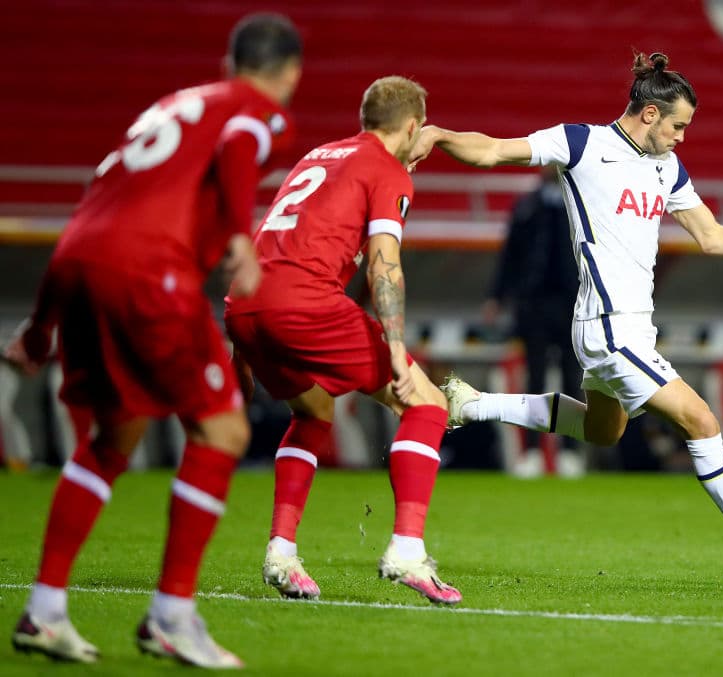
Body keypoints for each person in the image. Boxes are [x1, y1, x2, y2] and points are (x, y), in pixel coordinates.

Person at [411, 51, 723, 583]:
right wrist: (441, 135)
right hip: (606, 324)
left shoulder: (667, 167)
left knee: (601, 430)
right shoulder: (582, 144)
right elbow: (496, 150)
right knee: (702, 421)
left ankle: (473, 404)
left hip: (634, 325)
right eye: (678, 125)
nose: (683, 137)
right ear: (651, 115)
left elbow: (712, 235)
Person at [3, 14, 302, 667]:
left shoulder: (167, 108)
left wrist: (37, 330)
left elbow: (92, 216)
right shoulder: (255, 109)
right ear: (290, 74)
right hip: (149, 274)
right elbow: (243, 141)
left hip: (78, 262)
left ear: (227, 62)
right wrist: (235, 235)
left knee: (115, 435)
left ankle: (45, 609)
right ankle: (172, 614)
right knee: (223, 431)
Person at [225, 75, 461, 606]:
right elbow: (384, 264)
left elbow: (273, 237)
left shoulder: (320, 155)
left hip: (245, 303)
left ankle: (281, 554)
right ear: (411, 126)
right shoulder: (388, 170)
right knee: (426, 402)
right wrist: (397, 350)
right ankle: (406, 549)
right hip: (303, 303)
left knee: (312, 414)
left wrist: (240, 338)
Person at [483, 165, 583, 477]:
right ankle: (531, 452)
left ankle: (570, 453)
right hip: (534, 305)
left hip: (572, 304)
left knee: (571, 380)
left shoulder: (580, 206)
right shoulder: (527, 206)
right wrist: (496, 297)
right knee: (534, 380)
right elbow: (509, 255)